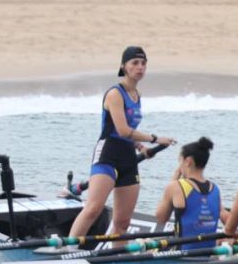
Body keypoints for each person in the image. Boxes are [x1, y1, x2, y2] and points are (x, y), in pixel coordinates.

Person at [67, 47, 175, 240]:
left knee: (123, 221)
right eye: (135, 63)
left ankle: (116, 259)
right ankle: (67, 249)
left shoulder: (137, 94)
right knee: (93, 209)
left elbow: (129, 133)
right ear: (123, 66)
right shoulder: (115, 94)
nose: (140, 67)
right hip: (107, 154)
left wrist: (141, 147)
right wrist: (156, 138)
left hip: (128, 158)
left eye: (143, 63)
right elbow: (122, 130)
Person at [153, 137, 221, 240]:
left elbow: (161, 218)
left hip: (182, 252)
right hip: (208, 252)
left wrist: (175, 177)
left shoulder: (175, 186)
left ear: (188, 161)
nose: (179, 166)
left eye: (180, 161)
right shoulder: (215, 189)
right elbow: (225, 216)